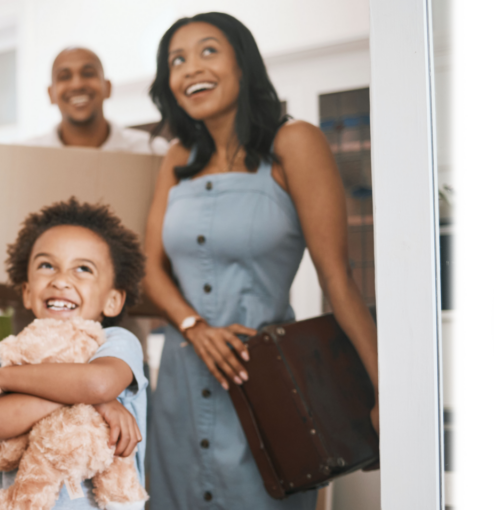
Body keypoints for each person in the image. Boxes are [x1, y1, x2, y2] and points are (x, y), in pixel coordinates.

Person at [142, 12, 380, 509]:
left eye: (209, 51)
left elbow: (337, 279)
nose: (190, 69)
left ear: (243, 64)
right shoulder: (176, 157)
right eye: (176, 60)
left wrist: (384, 388)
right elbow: (149, 268)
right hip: (180, 393)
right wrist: (194, 327)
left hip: (269, 387)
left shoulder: (295, 143)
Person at [0, 198, 149, 509]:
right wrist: (93, 399)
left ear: (113, 300)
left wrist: (5, 380)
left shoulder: (116, 342)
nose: (61, 280)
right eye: (47, 266)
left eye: (83, 269)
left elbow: (99, 382)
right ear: (28, 291)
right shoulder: (14, 352)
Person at [0, 47, 156, 279]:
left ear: (108, 87)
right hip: (38, 310)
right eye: (64, 76)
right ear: (51, 93)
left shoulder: (150, 151)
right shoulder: (24, 156)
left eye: (88, 73)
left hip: (123, 309)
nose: (77, 83)